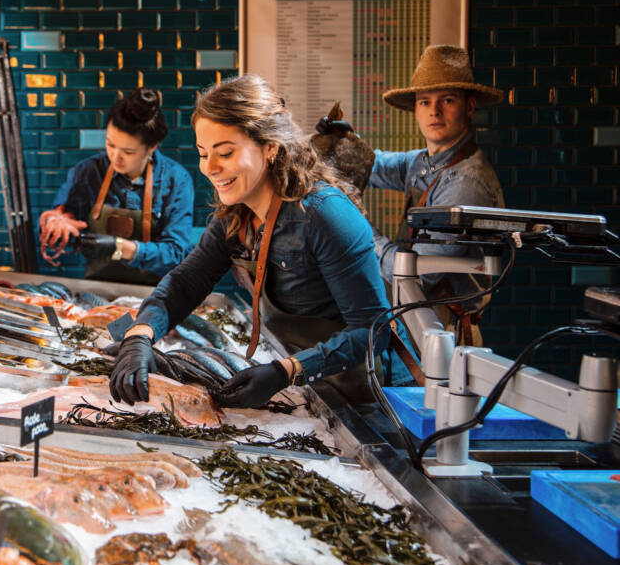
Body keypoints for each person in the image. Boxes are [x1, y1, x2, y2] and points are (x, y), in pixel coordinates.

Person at [109, 74, 411, 408]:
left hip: (374, 397)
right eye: (203, 153)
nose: (210, 168)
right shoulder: (236, 216)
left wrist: (286, 371)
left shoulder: (326, 214)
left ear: (270, 148)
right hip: (311, 388)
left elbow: (372, 330)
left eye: (225, 152)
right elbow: (187, 282)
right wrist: (140, 334)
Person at [367, 44, 504, 344]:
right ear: (415, 110)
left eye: (447, 100)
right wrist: (339, 142)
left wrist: (360, 232)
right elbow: (371, 165)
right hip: (416, 319)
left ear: (469, 107)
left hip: (446, 333)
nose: (434, 111)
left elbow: (416, 274)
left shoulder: (466, 182)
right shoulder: (424, 162)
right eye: (425, 102)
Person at [38, 89, 195, 285]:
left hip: (156, 292)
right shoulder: (88, 171)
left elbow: (177, 253)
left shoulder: (176, 180)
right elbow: (63, 216)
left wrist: (119, 247)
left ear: (152, 146)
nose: (115, 157)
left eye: (128, 152)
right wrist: (56, 223)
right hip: (98, 290)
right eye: (110, 145)